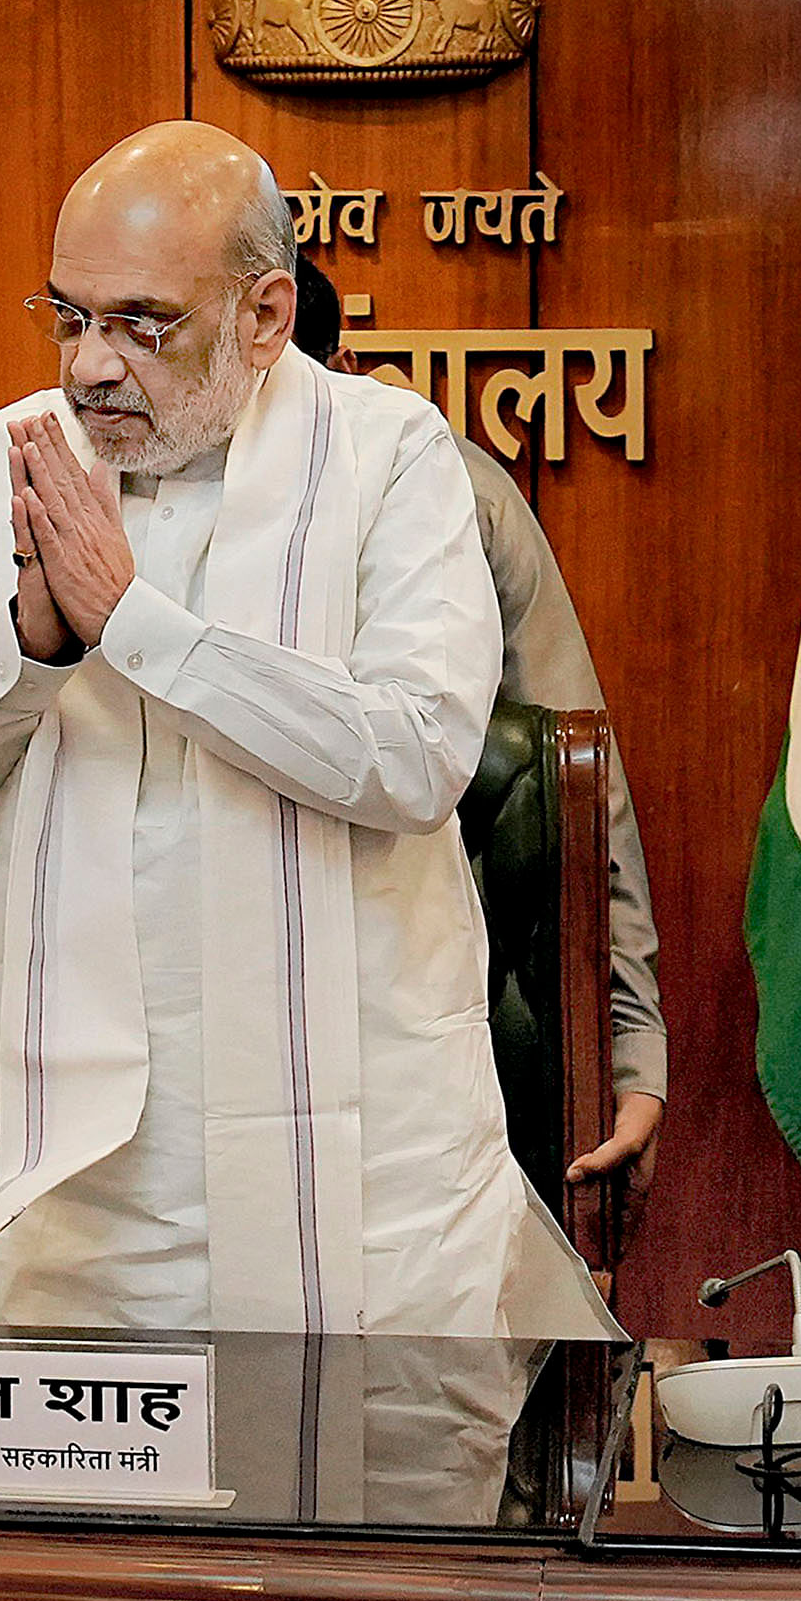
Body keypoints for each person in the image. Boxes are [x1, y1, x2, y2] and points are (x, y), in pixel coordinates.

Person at [0, 123, 603, 1339]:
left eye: (142, 324)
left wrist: (135, 627)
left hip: (361, 1217)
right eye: (69, 316)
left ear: (264, 315)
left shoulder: (391, 459)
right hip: (53, 1212)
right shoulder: (0, 465)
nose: (91, 365)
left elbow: (413, 757)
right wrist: (30, 647)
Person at [286, 254, 666, 1229]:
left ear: (350, 367)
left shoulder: (452, 494)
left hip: (430, 1015)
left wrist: (628, 1047)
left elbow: (575, 776)